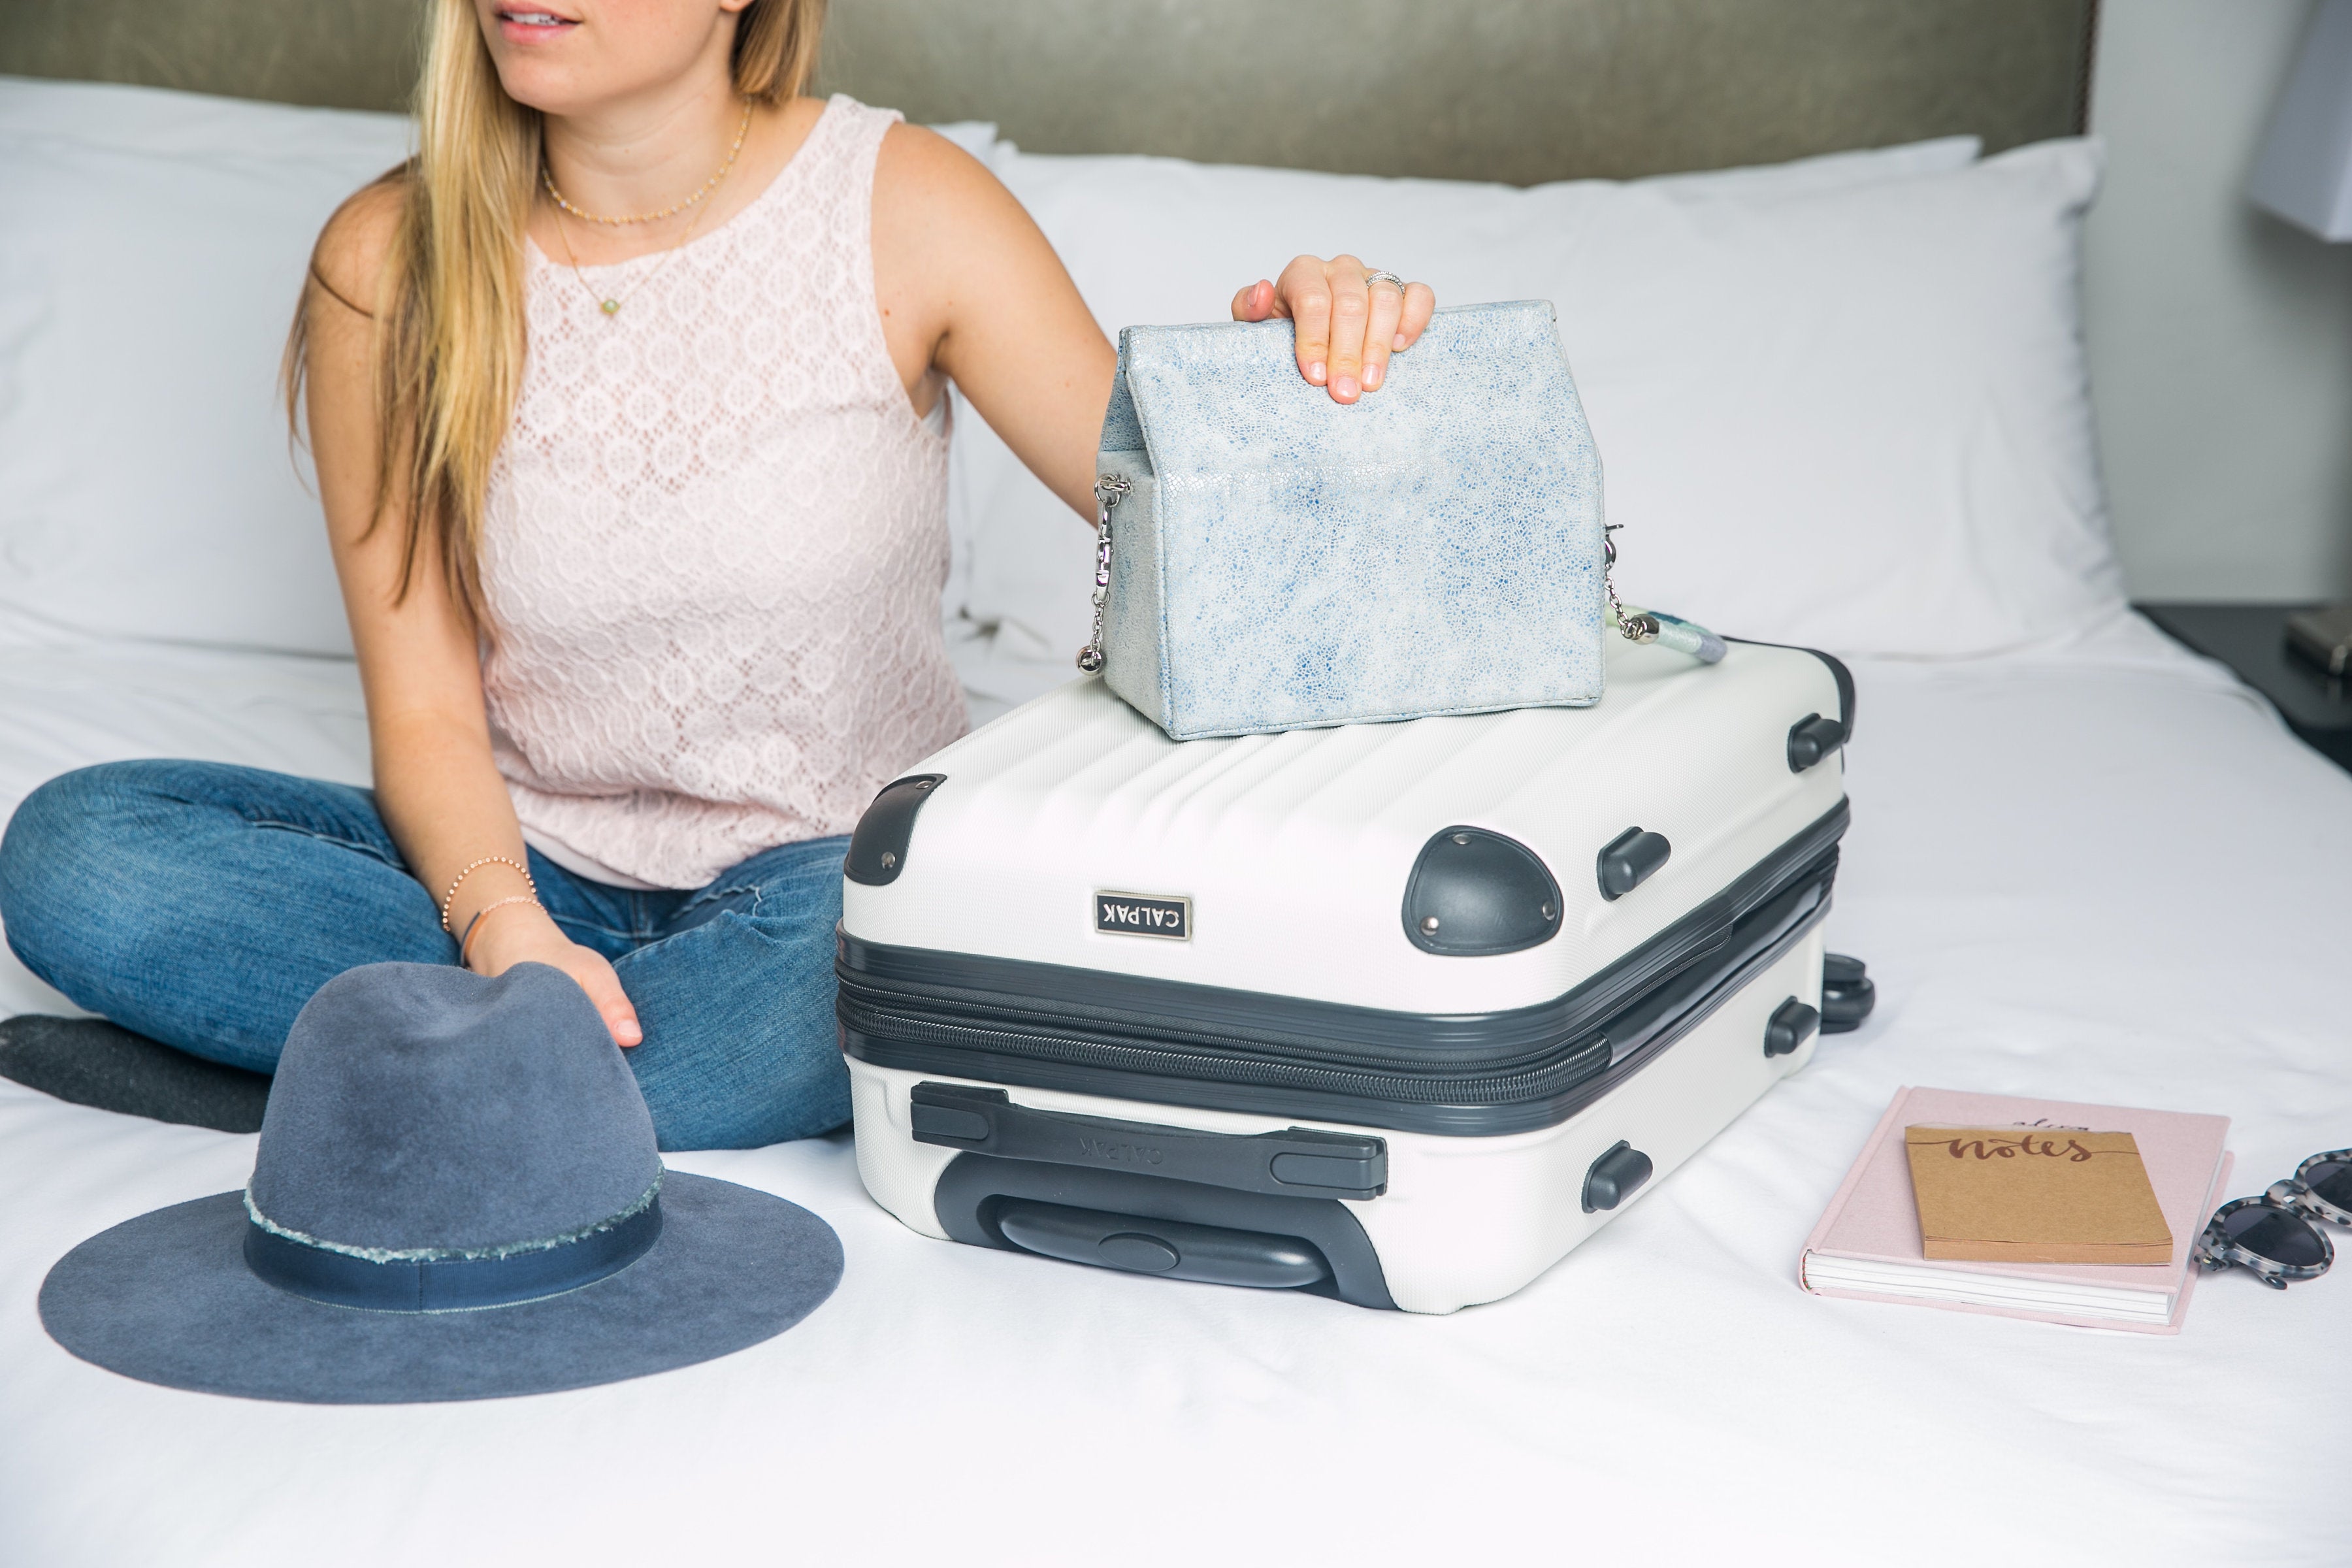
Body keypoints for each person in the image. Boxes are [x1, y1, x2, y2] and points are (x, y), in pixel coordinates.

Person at [0, 0, 1436, 1150]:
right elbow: (428, 714)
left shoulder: (903, 204)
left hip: (826, 874)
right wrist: (506, 936)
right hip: (517, 867)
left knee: (875, 969)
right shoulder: (389, 260)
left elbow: (1222, 531)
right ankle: (520, 1094)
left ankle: (343, 1092)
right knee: (78, 855)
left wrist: (1311, 363)